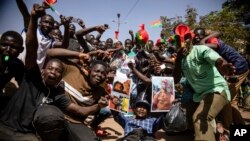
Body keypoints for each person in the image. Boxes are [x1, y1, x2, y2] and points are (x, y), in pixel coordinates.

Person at [173, 32, 235, 141]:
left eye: (186, 38)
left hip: (217, 90)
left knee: (200, 118)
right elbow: (175, 80)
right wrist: (178, 58)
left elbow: (217, 59)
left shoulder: (200, 49)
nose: (182, 41)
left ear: (190, 40)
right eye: (179, 39)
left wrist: (223, 66)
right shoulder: (181, 59)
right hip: (200, 95)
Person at [46, 47, 111, 138]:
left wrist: (107, 103)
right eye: (97, 71)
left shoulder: (101, 91)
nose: (99, 75)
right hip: (55, 115)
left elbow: (86, 112)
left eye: (103, 74)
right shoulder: (72, 70)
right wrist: (79, 54)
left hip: (76, 123)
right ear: (89, 70)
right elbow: (50, 53)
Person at [193, 27, 249, 125]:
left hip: (238, 67)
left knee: (225, 97)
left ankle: (227, 131)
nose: (197, 38)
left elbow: (215, 43)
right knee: (231, 101)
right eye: (196, 36)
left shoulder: (211, 40)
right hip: (234, 68)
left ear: (204, 35)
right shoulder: (204, 45)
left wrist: (203, 42)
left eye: (200, 36)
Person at [0, 31, 25, 111]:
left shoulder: (17, 65)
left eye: (13, 47)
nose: (7, 50)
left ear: (21, 50)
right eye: (4, 45)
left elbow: (23, 85)